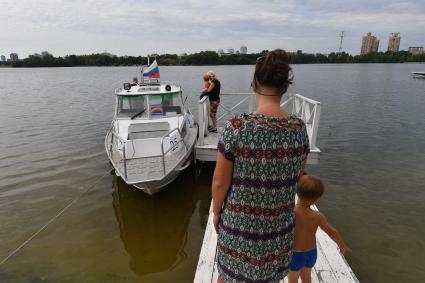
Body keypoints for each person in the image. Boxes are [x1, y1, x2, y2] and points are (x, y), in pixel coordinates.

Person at [212, 49, 310, 283]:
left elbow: (219, 182)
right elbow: (297, 179)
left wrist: (216, 211)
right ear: (286, 85)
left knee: (226, 277)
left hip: (239, 228)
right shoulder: (299, 129)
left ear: (254, 83)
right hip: (278, 230)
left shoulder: (237, 127)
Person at [288, 175, 351, 283]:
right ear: (317, 200)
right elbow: (332, 231)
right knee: (307, 276)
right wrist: (342, 245)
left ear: (296, 193)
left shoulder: (290, 213)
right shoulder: (318, 216)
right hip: (311, 252)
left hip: (295, 254)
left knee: (292, 280)